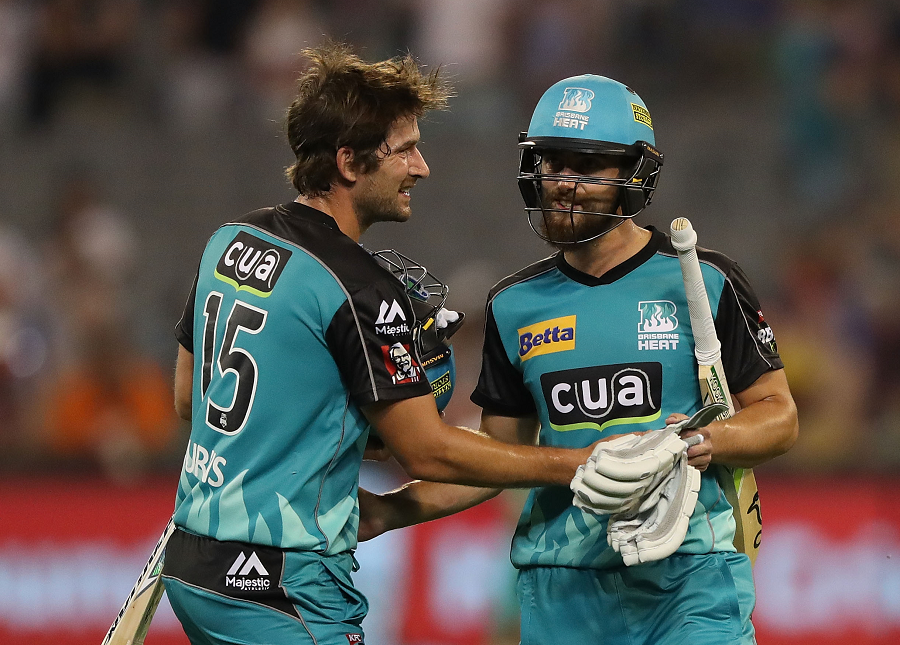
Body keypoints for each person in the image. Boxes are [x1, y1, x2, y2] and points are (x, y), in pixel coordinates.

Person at [159, 43, 600, 645]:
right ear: (348, 162)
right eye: (407, 149)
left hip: (192, 565)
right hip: (282, 583)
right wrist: (575, 463)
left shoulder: (229, 240)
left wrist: (339, 431)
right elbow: (428, 455)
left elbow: (191, 397)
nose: (421, 167)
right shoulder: (361, 288)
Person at [358, 74, 799, 645]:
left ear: (634, 176)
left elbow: (778, 415)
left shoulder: (704, 280)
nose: (565, 184)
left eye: (590, 168)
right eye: (552, 163)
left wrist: (696, 444)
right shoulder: (512, 306)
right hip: (562, 585)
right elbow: (498, 460)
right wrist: (389, 512)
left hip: (689, 577)